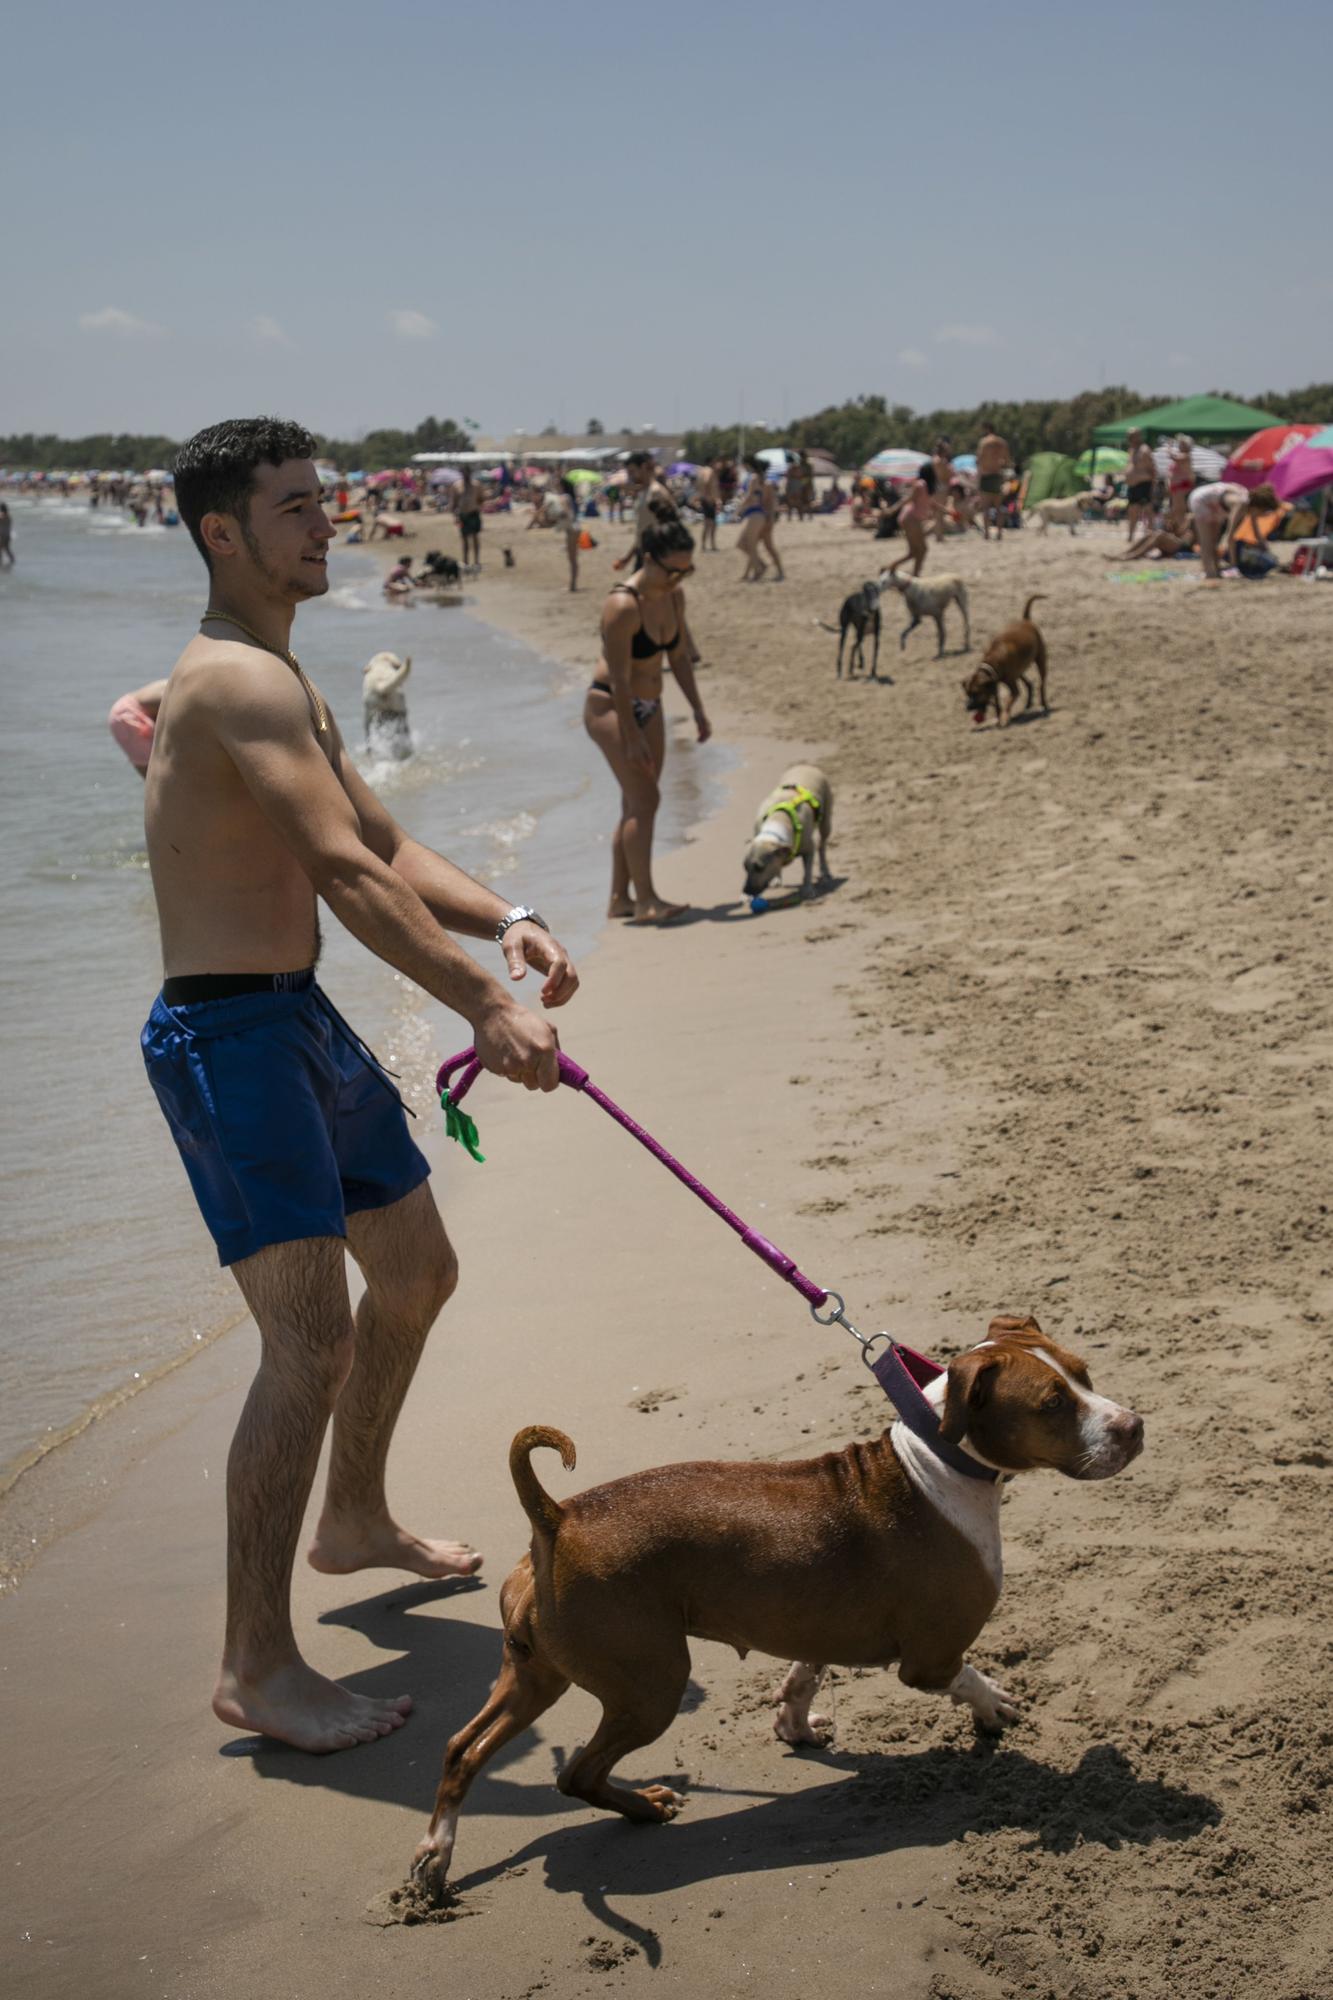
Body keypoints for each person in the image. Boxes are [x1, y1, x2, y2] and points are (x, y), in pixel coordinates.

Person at [142, 417, 579, 1753]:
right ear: (223, 533)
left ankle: (354, 1518)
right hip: (229, 1041)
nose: (325, 526)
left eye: (322, 504)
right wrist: (482, 1006)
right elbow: (341, 875)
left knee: (417, 1271)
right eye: (294, 508)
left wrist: (502, 915)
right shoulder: (234, 682)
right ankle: (254, 1663)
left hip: (299, 1020)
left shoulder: (288, 678)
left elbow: (380, 840)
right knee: (308, 1342)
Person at [584, 505, 711, 925]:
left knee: (636, 801)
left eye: (686, 572)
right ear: (650, 559)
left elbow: (678, 658)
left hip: (650, 705)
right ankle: (646, 900)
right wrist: (631, 733)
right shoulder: (623, 604)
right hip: (609, 706)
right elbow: (619, 678)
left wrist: (697, 709)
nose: (678, 579)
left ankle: (620, 898)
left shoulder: (673, 596)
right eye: (673, 571)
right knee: (646, 798)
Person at [1188, 477, 1253, 581]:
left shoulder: (1246, 497)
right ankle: (1210, 573)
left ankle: (1215, 569)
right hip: (1201, 499)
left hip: (1215, 501)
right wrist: (1233, 565)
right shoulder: (1241, 503)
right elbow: (1230, 534)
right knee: (1207, 541)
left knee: (1214, 540)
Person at [527, 477, 582, 591]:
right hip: (573, 528)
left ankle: (573, 586)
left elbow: (566, 514)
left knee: (572, 559)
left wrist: (556, 516)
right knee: (572, 559)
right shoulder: (564, 497)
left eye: (557, 485)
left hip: (572, 529)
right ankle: (572, 585)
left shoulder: (563, 497)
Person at [109, 678, 168, 777]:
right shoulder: (187, 690)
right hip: (128, 716)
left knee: (157, 779)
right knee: (158, 777)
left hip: (125, 710)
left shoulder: (187, 680)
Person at [888, 461, 936, 577]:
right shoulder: (921, 485)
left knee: (914, 552)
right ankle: (915, 575)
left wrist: (946, 511)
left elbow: (930, 503)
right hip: (911, 518)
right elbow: (909, 499)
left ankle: (891, 568)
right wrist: (893, 509)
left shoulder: (926, 486)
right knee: (922, 549)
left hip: (912, 518)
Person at [976, 423, 1010, 540]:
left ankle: (987, 533)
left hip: (986, 475)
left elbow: (979, 459)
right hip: (997, 474)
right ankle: (1000, 533)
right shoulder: (1002, 443)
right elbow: (1006, 460)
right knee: (998, 506)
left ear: (986, 429)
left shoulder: (984, 442)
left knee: (985, 507)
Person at [1123, 428, 1157, 543]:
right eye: (1129, 436)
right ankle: (1130, 536)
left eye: (1132, 436)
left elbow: (1152, 470)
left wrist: (1152, 487)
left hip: (1144, 484)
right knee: (1132, 511)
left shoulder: (1145, 450)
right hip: (1133, 486)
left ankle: (1150, 535)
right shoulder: (1132, 450)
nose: (1130, 438)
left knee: (1147, 511)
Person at [455, 471, 483, 572]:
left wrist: (475, 506)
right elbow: (454, 502)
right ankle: (466, 561)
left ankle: (476, 561)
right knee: (464, 539)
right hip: (463, 515)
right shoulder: (458, 485)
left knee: (475, 537)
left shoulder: (476, 485)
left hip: (473, 514)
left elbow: (481, 499)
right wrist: (456, 516)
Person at [1167, 436, 1195, 533]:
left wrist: (1169, 447)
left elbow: (1173, 457)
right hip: (1176, 487)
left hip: (1182, 486)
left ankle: (1183, 530)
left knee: (1180, 510)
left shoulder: (1186, 455)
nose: (1180, 445)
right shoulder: (1182, 455)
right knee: (1176, 510)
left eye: (1182, 444)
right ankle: (1179, 529)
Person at [695, 458, 720, 551]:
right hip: (709, 500)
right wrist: (709, 496)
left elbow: (698, 485)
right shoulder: (710, 471)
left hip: (703, 499)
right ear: (712, 462)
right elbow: (707, 481)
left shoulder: (700, 471)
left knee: (707, 523)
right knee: (712, 524)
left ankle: (703, 545)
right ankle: (712, 545)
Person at [0, 500, 13, 566]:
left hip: (3, 535)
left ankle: (2, 562)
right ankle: (12, 561)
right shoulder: (9, 516)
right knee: (7, 548)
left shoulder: (2, 516)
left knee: (3, 549)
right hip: (7, 535)